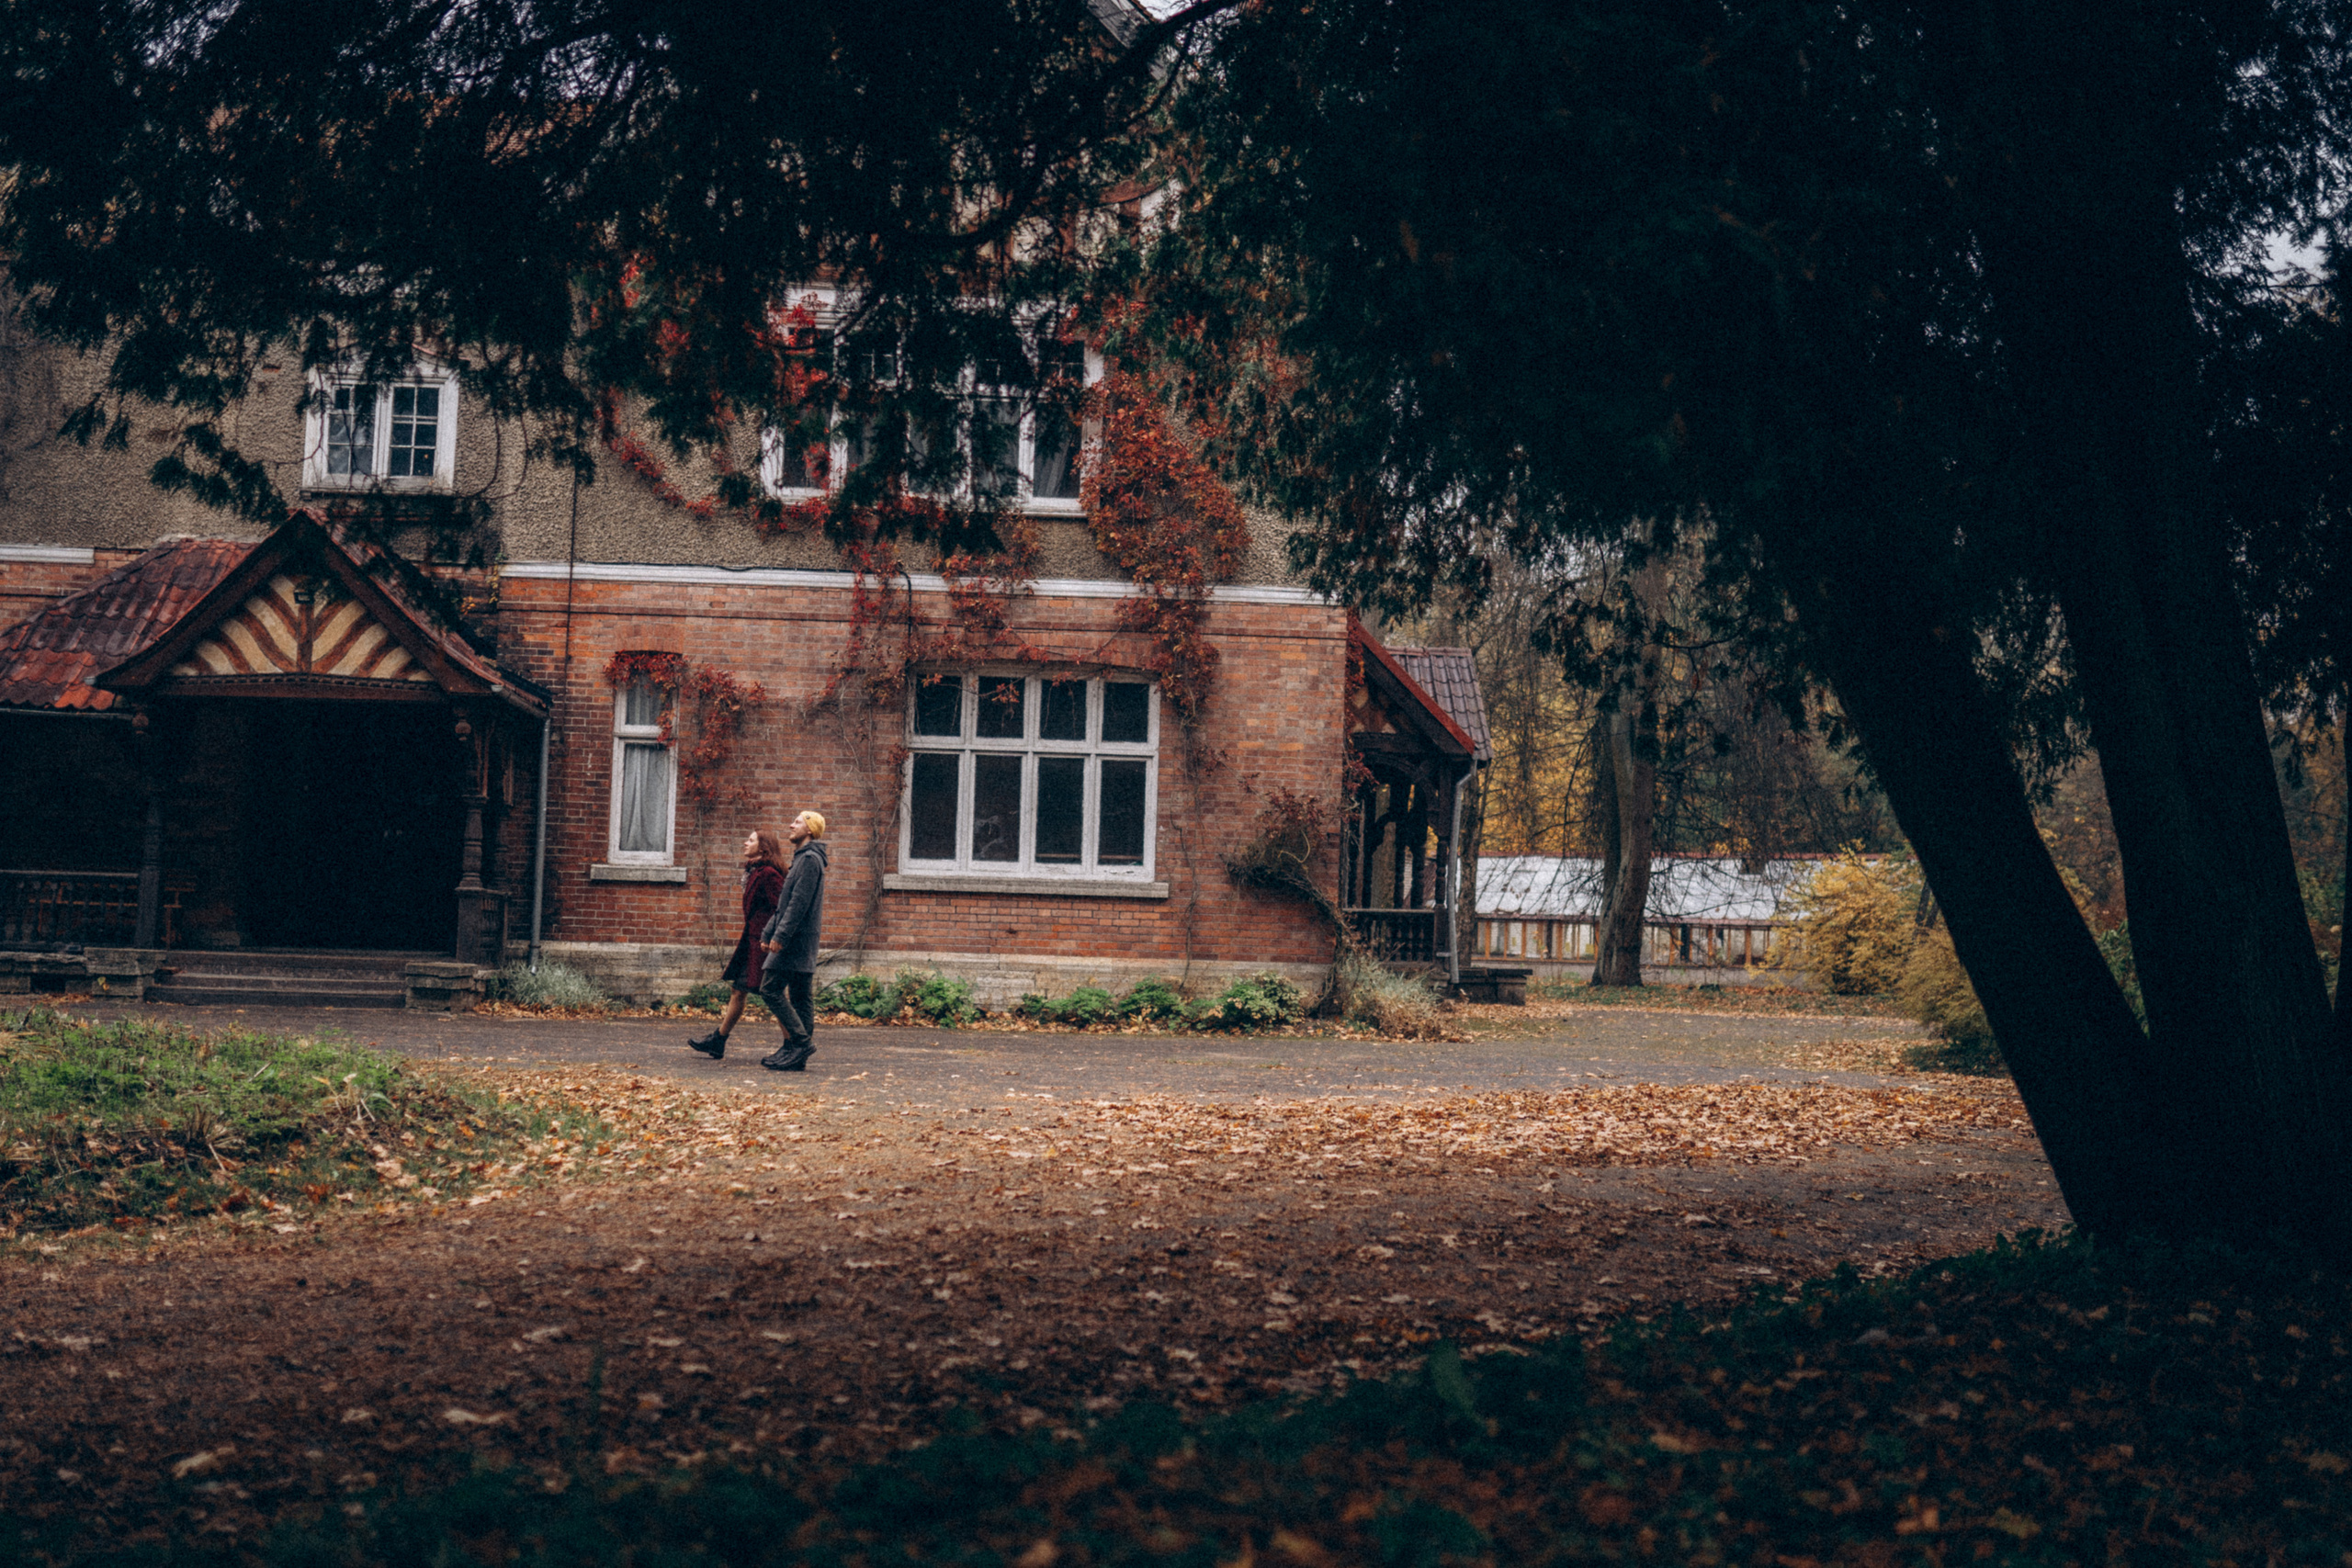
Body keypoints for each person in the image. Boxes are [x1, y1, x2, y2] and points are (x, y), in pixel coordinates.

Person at [686, 829, 788, 1061]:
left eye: (751, 840)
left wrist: (772, 938)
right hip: (751, 941)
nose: (745, 843)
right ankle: (718, 1041)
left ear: (763, 847)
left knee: (773, 994)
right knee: (738, 990)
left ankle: (793, 1043)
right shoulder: (755, 871)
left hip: (763, 944)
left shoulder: (769, 874)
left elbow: (781, 909)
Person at [757, 809, 829, 1071]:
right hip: (795, 937)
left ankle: (800, 1043)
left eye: (797, 822)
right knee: (800, 997)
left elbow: (798, 905)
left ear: (809, 830)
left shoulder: (810, 860)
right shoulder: (802, 859)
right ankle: (794, 1052)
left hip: (797, 939)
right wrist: (768, 933)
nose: (791, 824)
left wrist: (781, 936)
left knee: (770, 989)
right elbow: (784, 903)